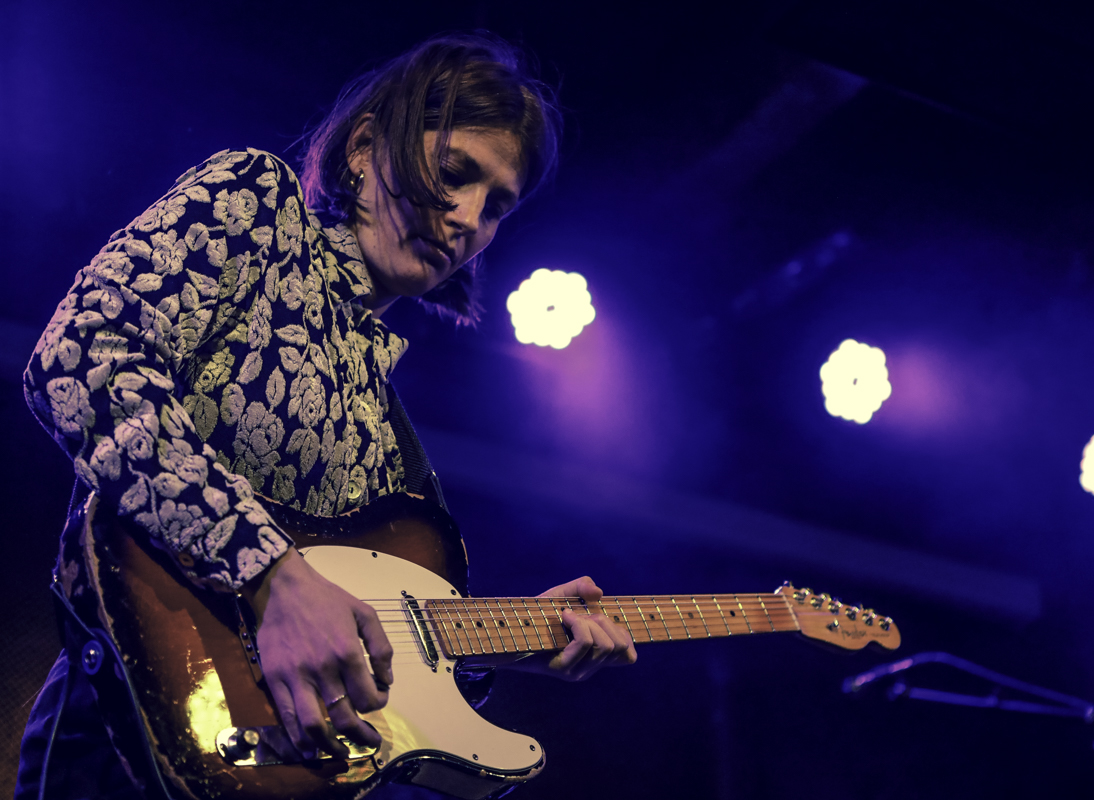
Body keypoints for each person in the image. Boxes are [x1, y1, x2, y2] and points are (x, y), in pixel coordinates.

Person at [16, 32, 636, 799]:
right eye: (455, 173)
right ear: (364, 148)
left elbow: (364, 633)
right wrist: (273, 576)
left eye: (498, 206)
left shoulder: (386, 425)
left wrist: (514, 640)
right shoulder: (259, 205)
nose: (470, 219)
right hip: (126, 741)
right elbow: (79, 356)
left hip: (271, 764)